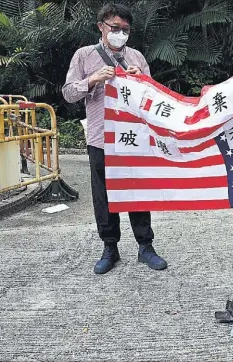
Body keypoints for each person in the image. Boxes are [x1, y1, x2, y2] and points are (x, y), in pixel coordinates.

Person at [62, 4, 167, 274]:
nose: (120, 33)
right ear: (101, 27)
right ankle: (110, 247)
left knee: (137, 192)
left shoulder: (136, 57)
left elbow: (153, 98)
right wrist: (92, 79)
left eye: (125, 29)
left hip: (133, 137)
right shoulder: (84, 56)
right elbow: (68, 93)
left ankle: (145, 246)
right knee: (103, 194)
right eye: (115, 28)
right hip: (100, 137)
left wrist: (141, 80)